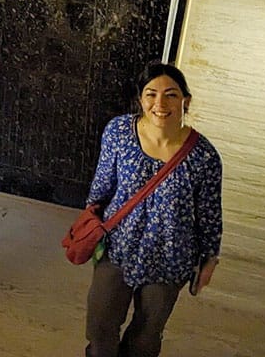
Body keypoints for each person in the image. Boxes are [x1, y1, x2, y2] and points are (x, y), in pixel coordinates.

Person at [83, 62, 222, 357]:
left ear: (186, 100)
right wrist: (91, 228)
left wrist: (209, 261)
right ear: (140, 99)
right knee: (100, 329)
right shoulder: (119, 132)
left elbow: (210, 216)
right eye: (151, 94)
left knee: (146, 338)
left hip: (170, 261)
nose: (160, 104)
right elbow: (101, 188)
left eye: (171, 95)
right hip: (118, 249)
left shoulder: (204, 157)